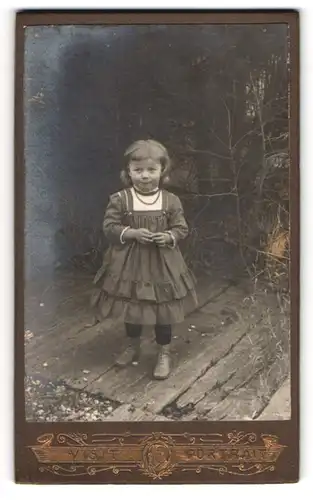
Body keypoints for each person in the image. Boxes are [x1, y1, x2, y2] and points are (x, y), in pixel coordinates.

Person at [91, 139, 198, 380]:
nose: (145, 176)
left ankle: (163, 352)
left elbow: (181, 228)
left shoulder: (170, 200)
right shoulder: (121, 199)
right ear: (128, 172)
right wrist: (131, 233)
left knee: (162, 309)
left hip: (162, 264)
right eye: (138, 170)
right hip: (131, 264)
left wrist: (169, 236)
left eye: (152, 170)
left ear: (163, 171)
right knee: (133, 306)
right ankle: (132, 345)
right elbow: (109, 227)